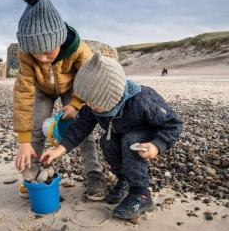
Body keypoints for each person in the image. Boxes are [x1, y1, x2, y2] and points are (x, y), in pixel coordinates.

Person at [41, 53, 183, 220]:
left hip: (146, 137)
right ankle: (124, 180)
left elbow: (174, 124)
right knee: (106, 142)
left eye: (94, 102)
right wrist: (59, 149)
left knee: (130, 141)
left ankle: (141, 194)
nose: (89, 105)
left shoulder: (142, 100)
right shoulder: (93, 105)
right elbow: (80, 127)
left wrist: (157, 145)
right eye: (87, 101)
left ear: (112, 97)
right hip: (120, 133)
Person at [14, 0, 105, 200]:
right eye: (36, 53)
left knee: (82, 128)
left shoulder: (80, 50)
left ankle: (94, 174)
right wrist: (23, 141)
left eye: (47, 51)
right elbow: (23, 94)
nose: (42, 58)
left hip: (74, 88)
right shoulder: (26, 56)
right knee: (36, 129)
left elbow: (89, 79)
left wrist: (75, 104)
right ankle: (33, 176)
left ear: (59, 39)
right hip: (42, 90)